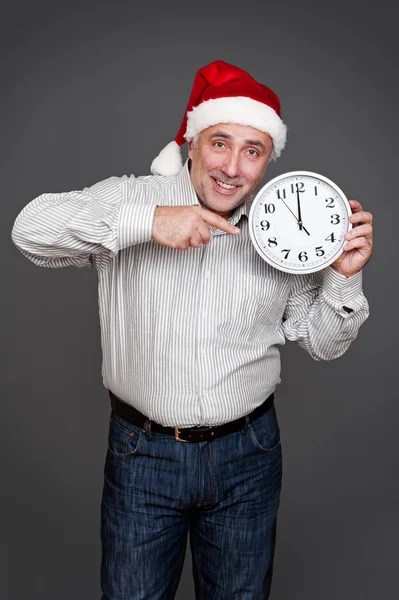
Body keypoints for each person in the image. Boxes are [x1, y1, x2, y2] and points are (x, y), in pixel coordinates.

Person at [11, 60, 373, 599]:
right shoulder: (131, 199)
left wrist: (344, 280)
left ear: (268, 160)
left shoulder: (288, 233)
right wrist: (149, 223)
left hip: (250, 455)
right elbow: (28, 230)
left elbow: (323, 343)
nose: (232, 167)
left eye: (253, 150)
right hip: (144, 455)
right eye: (220, 143)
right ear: (192, 142)